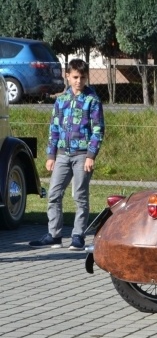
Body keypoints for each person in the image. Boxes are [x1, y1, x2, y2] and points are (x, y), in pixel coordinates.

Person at [30, 59, 105, 251]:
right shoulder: (61, 100)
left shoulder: (92, 100)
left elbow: (98, 130)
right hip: (62, 155)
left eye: (82, 77)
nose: (79, 81)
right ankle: (54, 235)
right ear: (68, 77)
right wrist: (51, 155)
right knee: (54, 194)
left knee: (80, 195)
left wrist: (91, 155)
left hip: (82, 155)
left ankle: (78, 236)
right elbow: (54, 129)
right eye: (75, 77)